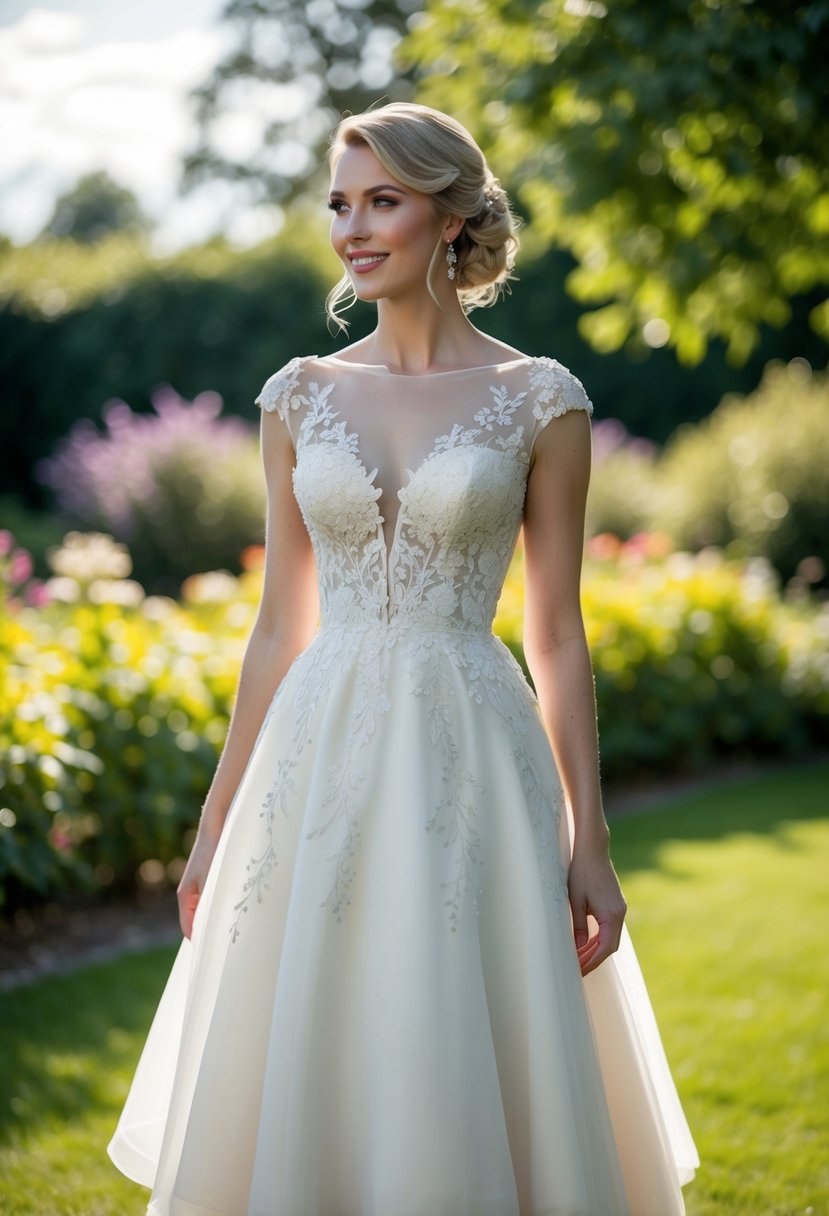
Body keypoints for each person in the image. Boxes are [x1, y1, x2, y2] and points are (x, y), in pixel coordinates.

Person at [108, 102, 698, 1215]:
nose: (354, 228)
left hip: (474, 746)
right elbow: (280, 624)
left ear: (453, 212)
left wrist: (591, 839)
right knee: (313, 1032)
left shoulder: (540, 399)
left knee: (454, 1012)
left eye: (382, 200)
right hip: (317, 751)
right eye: (341, 203)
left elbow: (557, 627)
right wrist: (212, 820)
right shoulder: (299, 395)